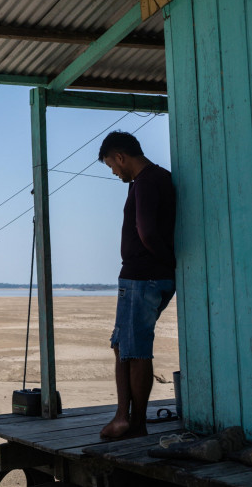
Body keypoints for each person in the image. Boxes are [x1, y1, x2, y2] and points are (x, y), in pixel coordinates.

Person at [97, 131, 176, 439]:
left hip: (142, 277)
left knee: (135, 350)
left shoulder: (144, 182)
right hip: (147, 276)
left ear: (120, 157)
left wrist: (165, 261)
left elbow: (146, 232)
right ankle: (126, 418)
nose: (115, 172)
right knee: (122, 346)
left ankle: (131, 421)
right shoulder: (158, 178)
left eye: (111, 166)